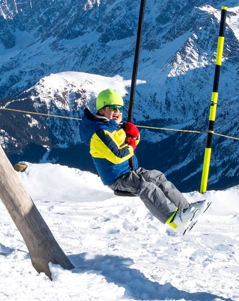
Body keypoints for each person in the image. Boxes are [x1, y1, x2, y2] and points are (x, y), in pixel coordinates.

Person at [80, 88, 209, 234]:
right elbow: (118, 155)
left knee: (157, 176)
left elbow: (130, 139)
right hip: (117, 178)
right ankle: (175, 220)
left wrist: (133, 135)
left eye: (120, 108)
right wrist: (132, 143)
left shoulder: (112, 126)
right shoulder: (99, 133)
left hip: (130, 170)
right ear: (102, 110)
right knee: (146, 187)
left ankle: (186, 210)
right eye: (112, 108)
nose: (117, 111)